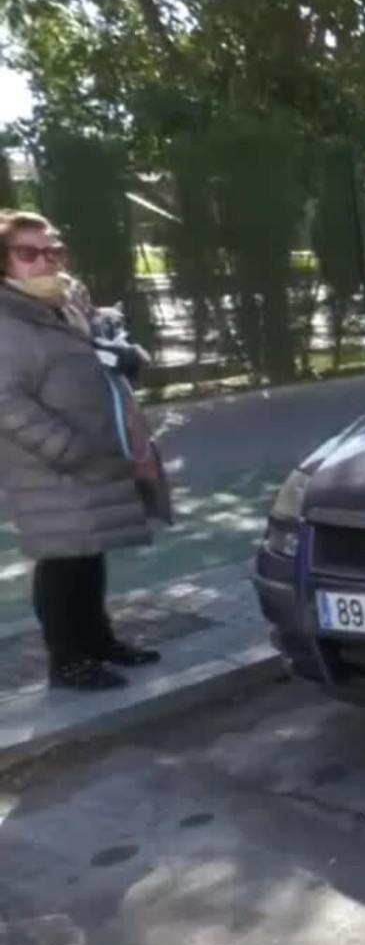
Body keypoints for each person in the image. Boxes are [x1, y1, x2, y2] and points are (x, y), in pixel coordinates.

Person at [0, 209, 168, 690]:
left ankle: (98, 642)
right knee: (62, 560)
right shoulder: (8, 319)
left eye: (52, 250)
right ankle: (67, 660)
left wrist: (131, 357)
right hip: (50, 464)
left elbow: (111, 353)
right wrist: (68, 449)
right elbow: (7, 403)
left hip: (93, 451)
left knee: (88, 553)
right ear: (5, 264)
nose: (45, 261)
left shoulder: (68, 301)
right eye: (28, 253)